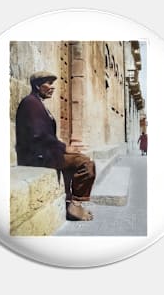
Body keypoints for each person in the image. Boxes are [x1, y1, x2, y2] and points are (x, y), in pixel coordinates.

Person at [15, 71, 96, 221]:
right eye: (49, 84)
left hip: (44, 153)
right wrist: (64, 148)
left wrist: (62, 148)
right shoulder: (30, 103)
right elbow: (39, 135)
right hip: (36, 157)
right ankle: (75, 204)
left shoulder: (37, 103)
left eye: (53, 84)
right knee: (86, 164)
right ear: (38, 86)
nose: (53, 87)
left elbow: (45, 135)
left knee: (81, 159)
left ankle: (69, 200)